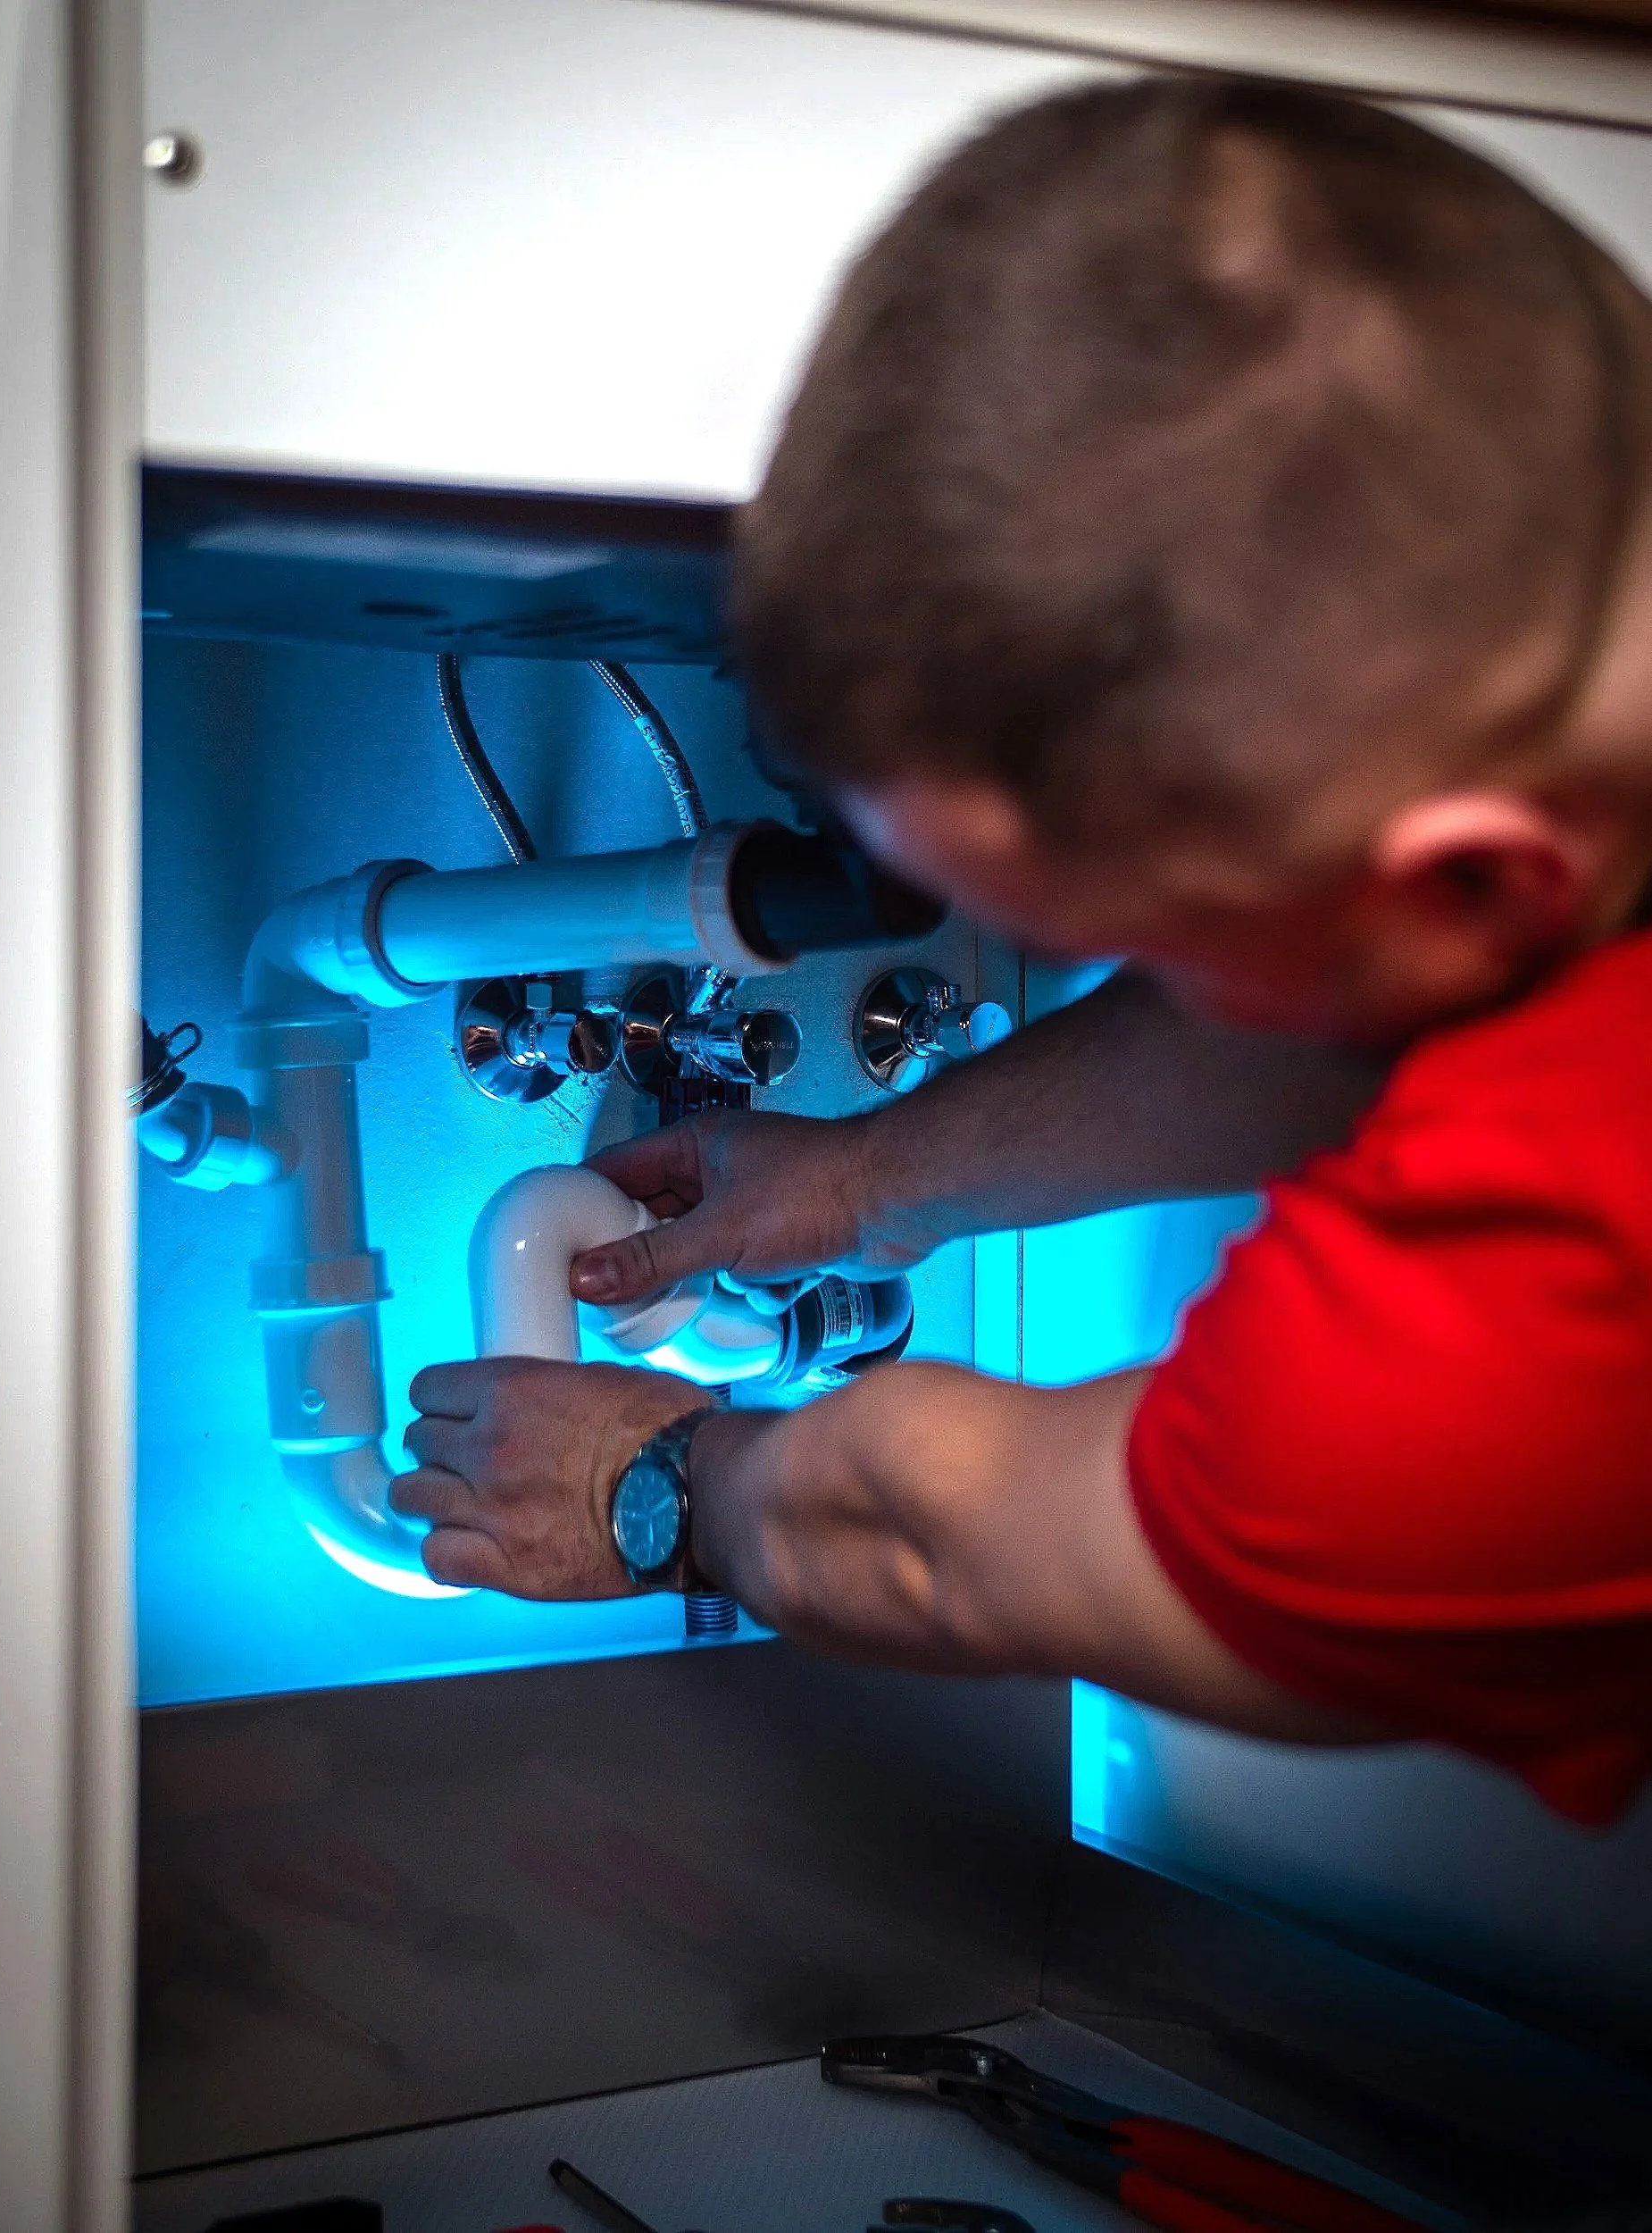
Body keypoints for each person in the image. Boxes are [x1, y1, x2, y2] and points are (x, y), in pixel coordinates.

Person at [395, 78, 1652, 1825]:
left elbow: (959, 1547)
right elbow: (1347, 1006)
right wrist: (866, 1177)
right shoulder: (1562, 731)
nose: (1160, 985)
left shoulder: (1539, 1304)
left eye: (1163, 937)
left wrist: (655, 1480)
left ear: (1467, 885)